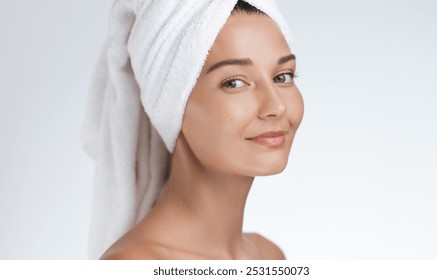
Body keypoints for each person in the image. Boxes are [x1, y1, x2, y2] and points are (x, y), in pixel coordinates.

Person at [83, 0, 303, 260]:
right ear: (171, 103)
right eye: (234, 82)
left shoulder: (269, 257)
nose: (276, 106)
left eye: (282, 77)